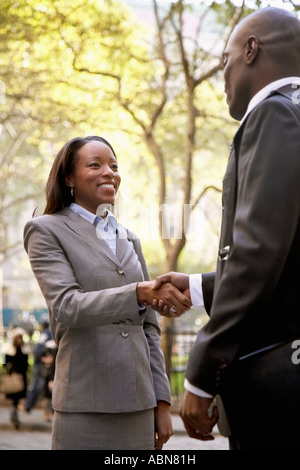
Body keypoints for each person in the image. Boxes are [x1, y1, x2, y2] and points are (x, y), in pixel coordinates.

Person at [153, 7, 300, 450]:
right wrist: (197, 287)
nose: (222, 73)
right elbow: (286, 265)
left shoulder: (275, 115)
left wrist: (201, 372)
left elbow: (257, 253)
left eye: (225, 59)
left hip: (277, 388)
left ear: (252, 50)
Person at [23, 135, 191, 450]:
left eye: (114, 166)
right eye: (96, 165)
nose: (109, 173)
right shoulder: (46, 230)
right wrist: (138, 293)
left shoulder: (130, 238)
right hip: (85, 404)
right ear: (69, 177)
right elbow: (67, 306)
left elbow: (149, 329)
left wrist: (162, 401)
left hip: (139, 404)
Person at [3, 327, 30, 429]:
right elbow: (5, 363)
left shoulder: (24, 348)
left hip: (21, 376)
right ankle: (14, 417)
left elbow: (26, 363)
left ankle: (15, 417)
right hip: (13, 377)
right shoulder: (9, 349)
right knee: (14, 398)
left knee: (18, 399)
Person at [24, 320, 52, 413]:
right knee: (40, 386)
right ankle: (29, 405)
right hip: (43, 365)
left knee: (37, 385)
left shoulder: (45, 334)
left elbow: (38, 351)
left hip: (41, 365)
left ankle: (29, 405)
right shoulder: (48, 334)